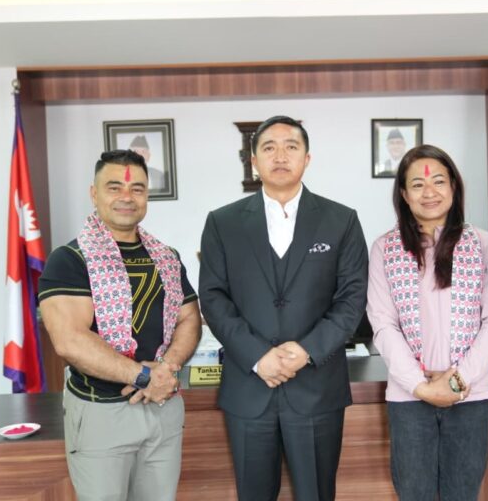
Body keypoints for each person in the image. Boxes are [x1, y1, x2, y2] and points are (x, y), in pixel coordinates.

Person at [198, 115, 368, 501]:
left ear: (307, 159)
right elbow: (213, 296)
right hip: (248, 385)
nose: (280, 156)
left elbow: (352, 297)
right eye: (268, 148)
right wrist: (259, 356)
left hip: (317, 387)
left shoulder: (341, 220)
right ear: (253, 161)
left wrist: (306, 351)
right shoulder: (222, 223)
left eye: (291, 146)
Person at [39, 149, 202, 501]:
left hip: (162, 406)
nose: (127, 197)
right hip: (102, 413)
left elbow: (189, 317)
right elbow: (69, 340)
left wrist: (167, 369)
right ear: (93, 193)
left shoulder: (166, 257)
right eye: (114, 187)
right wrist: (143, 377)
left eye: (138, 189)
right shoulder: (69, 259)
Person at [367, 144, 488, 500]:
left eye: (439, 182)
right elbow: (383, 325)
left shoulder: (484, 244)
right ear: (403, 193)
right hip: (409, 396)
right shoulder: (385, 248)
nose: (429, 192)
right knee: (413, 493)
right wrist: (421, 386)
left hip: (471, 394)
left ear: (454, 188)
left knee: (462, 494)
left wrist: (457, 380)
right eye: (417, 184)